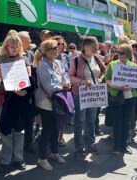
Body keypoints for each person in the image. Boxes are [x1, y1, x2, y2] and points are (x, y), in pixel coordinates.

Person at [0, 32, 34, 172]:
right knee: (6, 132)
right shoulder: (0, 59)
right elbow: (2, 79)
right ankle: (5, 161)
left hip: (21, 99)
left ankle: (19, 158)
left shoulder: (24, 59)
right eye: (12, 46)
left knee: (19, 131)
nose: (14, 48)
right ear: (6, 46)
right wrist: (14, 89)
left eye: (17, 46)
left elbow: (29, 78)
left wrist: (22, 91)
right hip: (8, 100)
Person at [68, 36, 106, 157]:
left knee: (91, 120)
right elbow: (70, 77)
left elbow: (103, 70)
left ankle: (90, 143)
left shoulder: (96, 58)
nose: (96, 48)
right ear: (86, 46)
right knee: (80, 121)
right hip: (80, 94)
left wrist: (99, 79)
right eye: (94, 45)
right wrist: (83, 82)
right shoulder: (76, 60)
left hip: (93, 94)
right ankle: (79, 146)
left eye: (96, 45)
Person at [35, 39, 68, 171]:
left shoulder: (59, 63)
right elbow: (49, 86)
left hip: (57, 101)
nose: (56, 50)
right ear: (45, 52)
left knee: (56, 129)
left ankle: (54, 153)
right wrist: (63, 87)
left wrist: (67, 84)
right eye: (52, 48)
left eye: (56, 47)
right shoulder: (43, 65)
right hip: (46, 103)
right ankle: (42, 159)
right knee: (47, 131)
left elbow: (65, 77)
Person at [105, 43, 137, 155]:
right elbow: (107, 80)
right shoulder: (112, 64)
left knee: (127, 122)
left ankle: (125, 144)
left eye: (121, 53)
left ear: (128, 54)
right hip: (116, 96)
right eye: (118, 52)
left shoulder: (134, 66)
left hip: (130, 97)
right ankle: (117, 146)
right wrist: (118, 86)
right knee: (118, 122)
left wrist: (131, 85)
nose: (119, 54)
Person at [51, 35, 71, 147]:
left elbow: (68, 72)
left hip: (64, 90)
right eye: (57, 43)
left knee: (61, 114)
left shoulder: (66, 57)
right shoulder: (49, 56)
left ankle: (60, 136)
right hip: (52, 90)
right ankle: (51, 137)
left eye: (61, 44)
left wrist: (67, 83)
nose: (59, 46)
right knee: (52, 115)